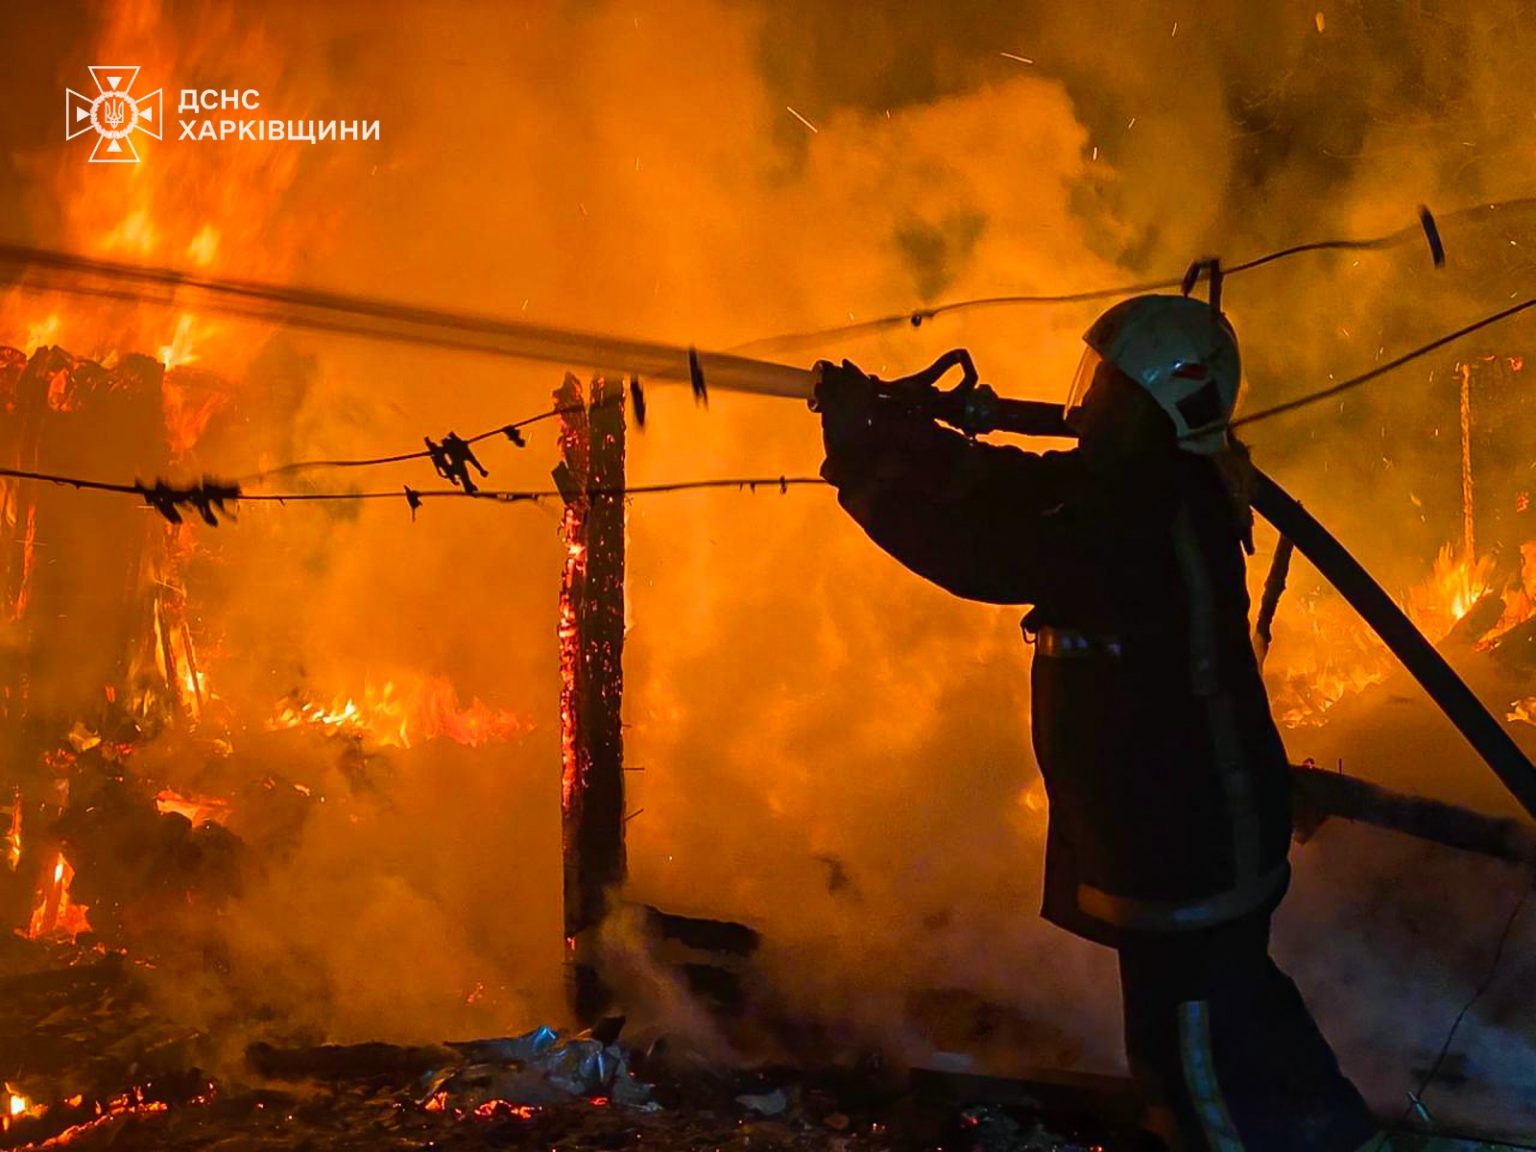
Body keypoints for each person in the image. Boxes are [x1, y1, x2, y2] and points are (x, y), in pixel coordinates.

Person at [815, 294, 1386, 1151]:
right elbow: (1014, 485)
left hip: (1188, 846)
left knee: (1196, 1075)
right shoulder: (1146, 487)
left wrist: (863, 466)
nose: (1093, 401)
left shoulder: (1143, 515)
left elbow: (979, 552)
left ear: (1160, 401)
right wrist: (903, 436)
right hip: (1188, 835)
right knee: (1248, 1022)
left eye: (1114, 388)